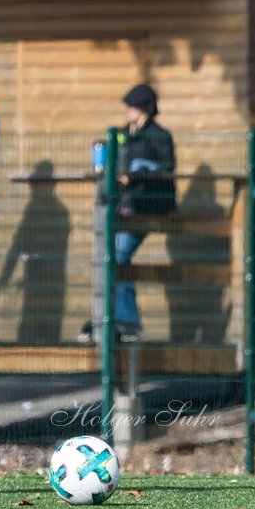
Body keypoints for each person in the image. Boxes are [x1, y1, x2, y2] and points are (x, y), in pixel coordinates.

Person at [81, 84, 176, 344]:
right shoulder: (122, 134)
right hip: (121, 208)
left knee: (119, 256)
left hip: (145, 208)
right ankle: (105, 319)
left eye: (131, 106)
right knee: (107, 258)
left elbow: (167, 167)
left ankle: (129, 322)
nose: (126, 110)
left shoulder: (159, 136)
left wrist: (138, 172)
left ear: (144, 107)